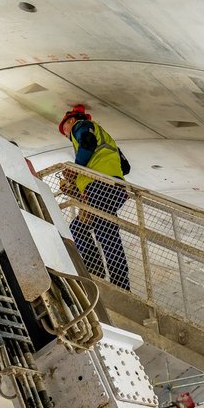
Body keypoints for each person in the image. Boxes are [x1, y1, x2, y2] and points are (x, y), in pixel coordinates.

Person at [58, 104, 131, 290]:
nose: (66, 134)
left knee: (106, 234)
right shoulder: (106, 138)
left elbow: (87, 143)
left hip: (100, 187)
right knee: (79, 227)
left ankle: (120, 285)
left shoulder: (80, 126)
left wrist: (76, 169)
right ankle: (95, 270)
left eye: (64, 129)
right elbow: (126, 167)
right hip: (114, 188)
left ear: (71, 120)